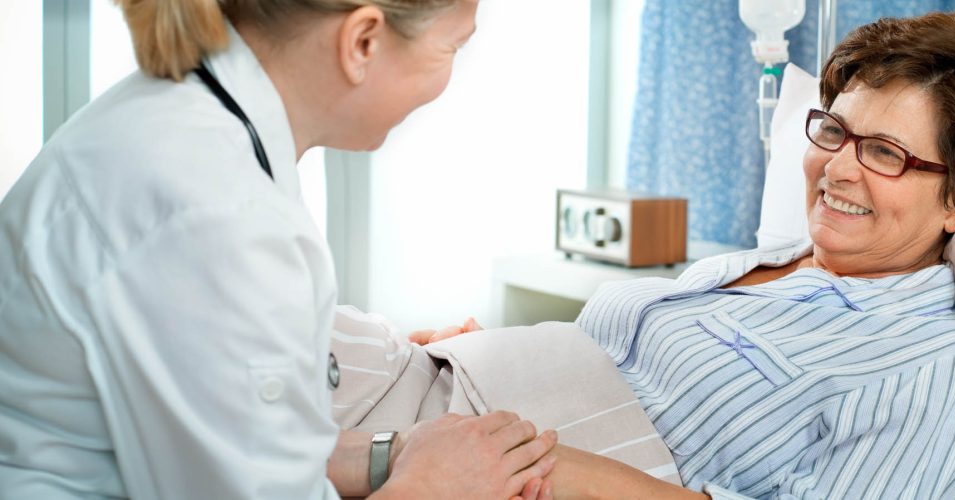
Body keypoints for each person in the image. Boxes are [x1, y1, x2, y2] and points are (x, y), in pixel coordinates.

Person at [416, 11, 955, 499]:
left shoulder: (931, 372)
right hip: (450, 410)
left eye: (885, 152)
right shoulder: (760, 264)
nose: (836, 168)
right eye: (834, 130)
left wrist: (559, 465)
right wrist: (503, 359)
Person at [0, 0, 556, 499]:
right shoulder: (209, 210)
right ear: (363, 40)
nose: (448, 79)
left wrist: (395, 455)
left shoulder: (191, 125)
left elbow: (253, 439)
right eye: (452, 46)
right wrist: (436, 488)